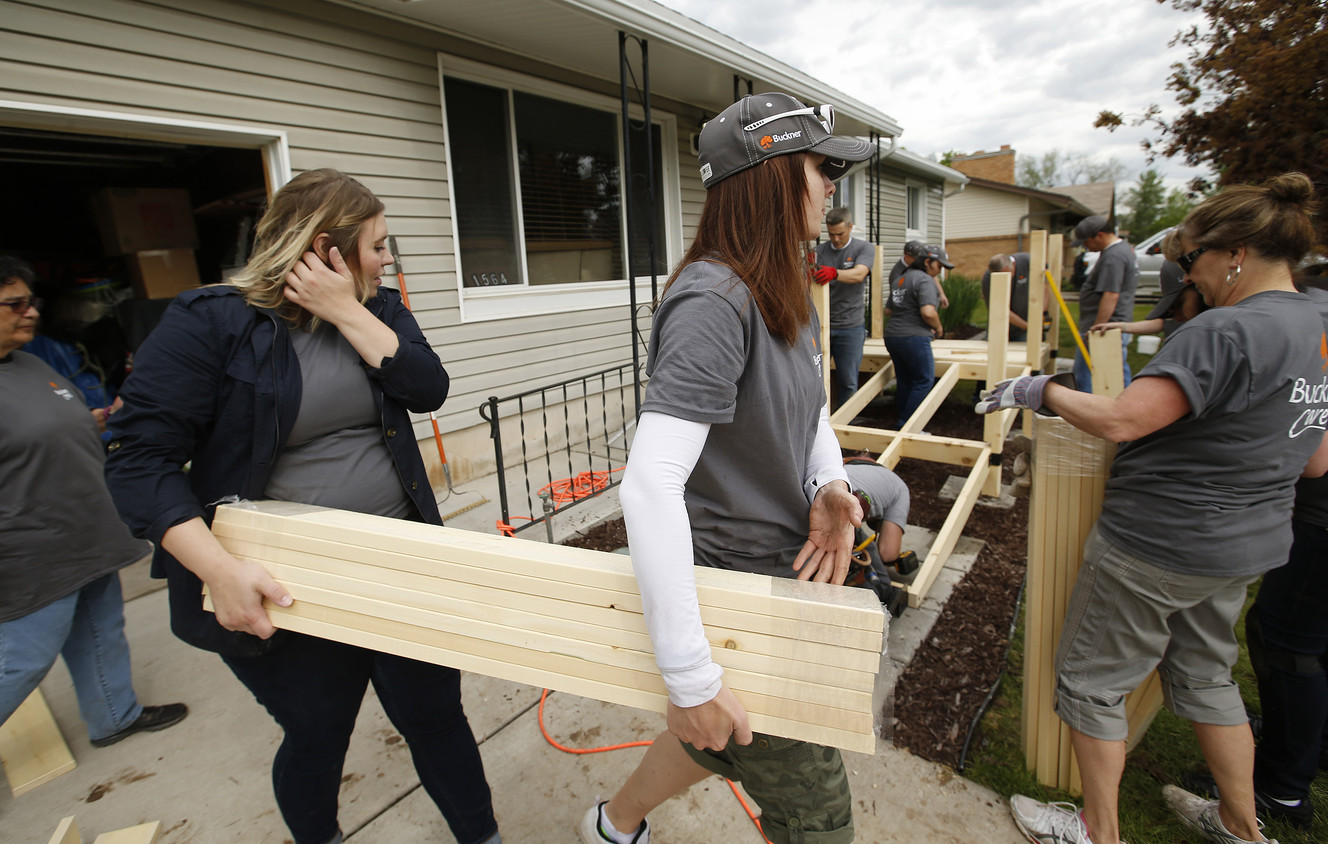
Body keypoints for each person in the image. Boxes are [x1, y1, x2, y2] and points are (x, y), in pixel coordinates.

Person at [104, 170, 500, 844]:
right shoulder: (212, 324)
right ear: (329, 246)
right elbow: (138, 459)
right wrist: (218, 572)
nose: (388, 258)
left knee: (434, 715)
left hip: (398, 560)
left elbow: (427, 386)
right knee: (319, 731)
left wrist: (348, 310)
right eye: (377, 245)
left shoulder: (382, 307)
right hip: (284, 581)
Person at [978, 172, 1328, 844]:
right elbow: (1314, 459)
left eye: (1191, 259)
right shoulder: (1315, 327)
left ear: (1235, 253)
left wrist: (1037, 391)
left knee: (1090, 681)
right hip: (1245, 545)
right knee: (1206, 675)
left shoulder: (1226, 330)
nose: (1187, 275)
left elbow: (1121, 420)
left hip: (1161, 542)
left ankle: (1097, 831)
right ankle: (1241, 826)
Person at [578, 92, 871, 844]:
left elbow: (808, 418)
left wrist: (826, 482)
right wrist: (690, 677)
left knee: (720, 739)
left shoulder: (788, 286)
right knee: (820, 823)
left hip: (783, 575)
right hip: (737, 598)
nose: (832, 185)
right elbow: (648, 487)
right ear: (772, 175)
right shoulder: (714, 301)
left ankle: (614, 824)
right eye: (821, 168)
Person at [0, 259, 188, 748]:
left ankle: (114, 715)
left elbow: (50, 427)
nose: (31, 313)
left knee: (100, 630)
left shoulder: (30, 363)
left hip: (88, 532)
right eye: (15, 304)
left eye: (31, 301)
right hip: (31, 550)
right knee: (23, 659)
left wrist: (99, 420)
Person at [1240, 277, 1328, 830]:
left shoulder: (1308, 332)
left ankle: (1283, 787)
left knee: (1285, 642)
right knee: (1314, 640)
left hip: (1320, 521)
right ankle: (1311, 746)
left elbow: (1316, 460)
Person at [812, 207, 876, 406]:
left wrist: (835, 273)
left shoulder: (863, 248)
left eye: (840, 234)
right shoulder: (819, 252)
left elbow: (859, 274)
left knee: (848, 381)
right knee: (815, 378)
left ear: (850, 227)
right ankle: (819, 420)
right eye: (831, 234)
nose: (836, 239)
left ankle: (846, 422)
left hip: (851, 327)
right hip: (822, 326)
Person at [1071, 215, 1138, 393]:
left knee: (1090, 374)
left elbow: (1111, 295)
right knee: (1116, 372)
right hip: (1111, 324)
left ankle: (1086, 411)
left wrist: (1097, 327)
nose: (1086, 247)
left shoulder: (1114, 256)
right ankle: (1126, 404)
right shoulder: (1122, 250)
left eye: (1086, 242)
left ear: (1099, 235)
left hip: (1105, 327)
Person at [884, 243, 948, 426]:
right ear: (928, 262)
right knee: (924, 381)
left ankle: (902, 422)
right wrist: (939, 327)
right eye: (939, 266)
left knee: (904, 381)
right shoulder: (924, 280)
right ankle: (910, 426)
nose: (940, 270)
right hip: (914, 337)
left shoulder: (901, 279)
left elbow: (888, 310)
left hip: (892, 336)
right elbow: (928, 312)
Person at [1090, 260, 1201, 340]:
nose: (1178, 317)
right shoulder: (1189, 319)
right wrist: (1121, 326)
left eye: (1178, 305)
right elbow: (1163, 323)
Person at [981, 252, 1035, 342]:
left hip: (1022, 331)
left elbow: (1045, 284)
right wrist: (1027, 326)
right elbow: (1000, 309)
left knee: (1023, 354)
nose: (1005, 279)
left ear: (1013, 264)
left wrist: (1043, 312)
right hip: (999, 327)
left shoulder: (1027, 261)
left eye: (1007, 274)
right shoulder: (988, 279)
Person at [889, 239, 948, 307]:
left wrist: (941, 294)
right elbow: (898, 298)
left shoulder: (919, 265)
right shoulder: (897, 275)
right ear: (907, 257)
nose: (922, 261)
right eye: (918, 258)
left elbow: (932, 275)